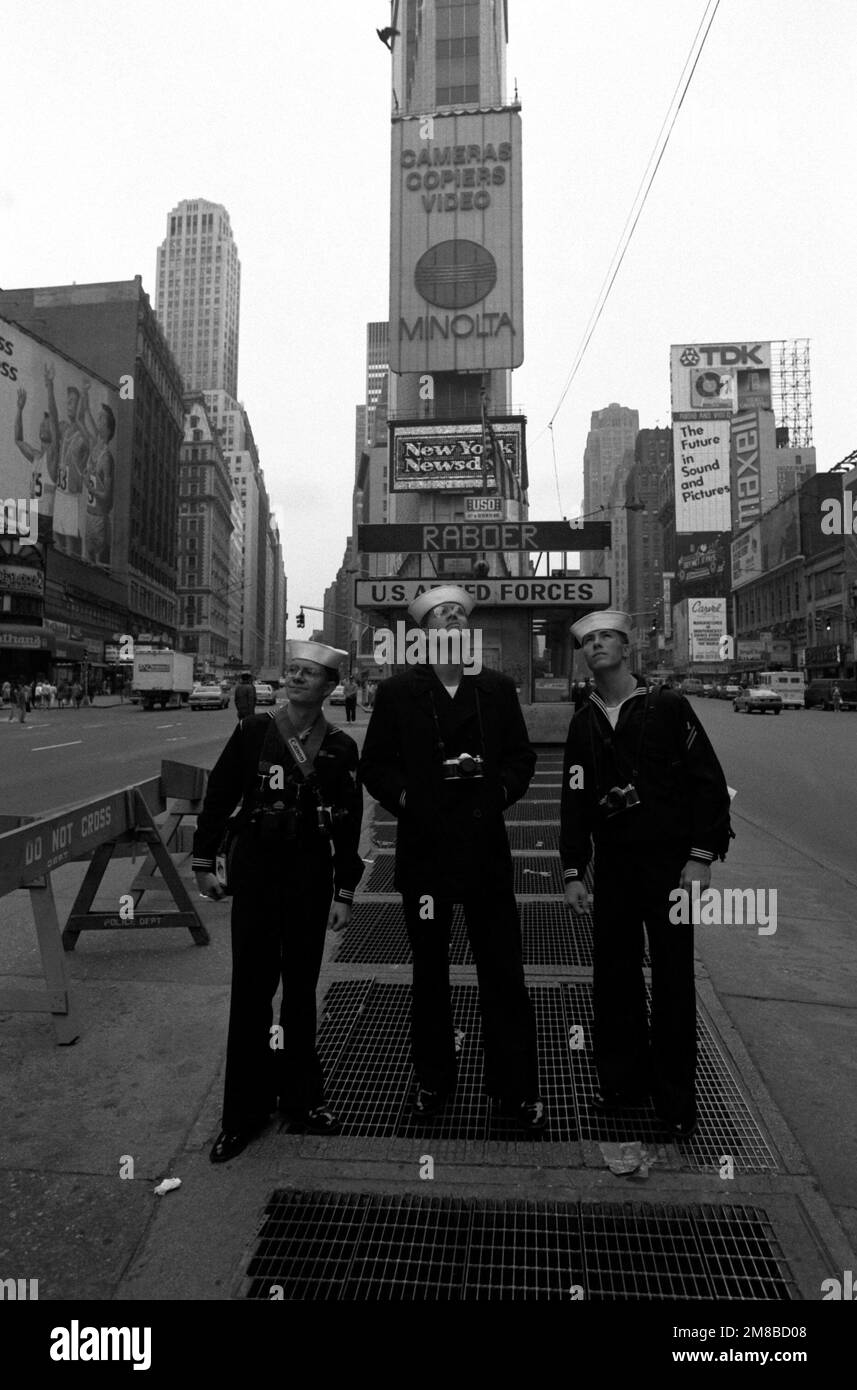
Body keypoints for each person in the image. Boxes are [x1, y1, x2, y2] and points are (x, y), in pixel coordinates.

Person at [360, 584, 546, 1131]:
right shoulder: (397, 694)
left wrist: (497, 793)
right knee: (430, 973)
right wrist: (411, 800)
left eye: (458, 615)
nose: (450, 621)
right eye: (439, 615)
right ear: (421, 635)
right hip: (424, 852)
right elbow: (375, 766)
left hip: (485, 850)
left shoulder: (498, 689)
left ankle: (514, 1091)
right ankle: (432, 1081)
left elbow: (521, 758)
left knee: (503, 971)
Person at [560, 610, 732, 1139]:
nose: (596, 647)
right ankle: (621, 1084)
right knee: (614, 979)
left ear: (627, 647)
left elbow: (708, 782)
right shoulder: (584, 719)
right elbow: (574, 801)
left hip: (670, 869)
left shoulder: (667, 706)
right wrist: (572, 870)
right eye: (587, 641)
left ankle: (676, 1101)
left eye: (606, 637)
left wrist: (700, 858)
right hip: (613, 868)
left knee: (674, 981)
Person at [192, 640, 364, 1163]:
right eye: (292, 670)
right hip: (257, 874)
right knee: (250, 992)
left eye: (309, 673)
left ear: (330, 687)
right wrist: (204, 863)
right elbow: (219, 798)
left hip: (309, 876)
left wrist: (344, 891)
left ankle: (302, 1100)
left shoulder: (339, 746)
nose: (295, 678)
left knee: (300, 994)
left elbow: (349, 823)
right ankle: (241, 1115)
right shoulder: (252, 732)